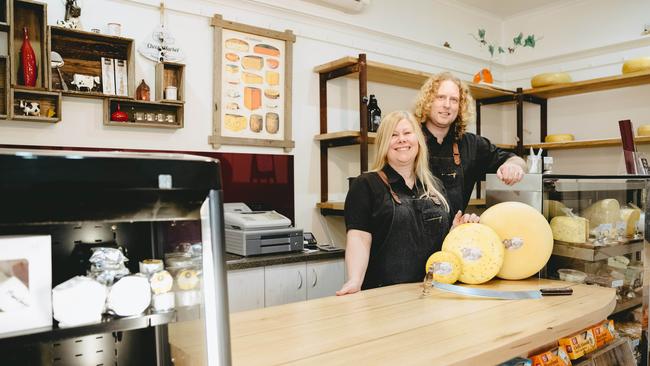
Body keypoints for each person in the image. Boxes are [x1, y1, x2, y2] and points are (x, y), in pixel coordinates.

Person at [337, 110, 478, 295]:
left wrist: (457, 231)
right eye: (393, 135)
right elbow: (359, 238)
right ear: (383, 144)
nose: (401, 140)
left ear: (418, 141)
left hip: (435, 291)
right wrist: (355, 280)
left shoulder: (435, 186)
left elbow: (442, 242)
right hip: (385, 295)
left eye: (407, 133)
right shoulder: (366, 184)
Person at [414, 72, 526, 215]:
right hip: (413, 234)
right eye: (440, 97)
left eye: (454, 100)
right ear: (427, 101)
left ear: (460, 107)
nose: (447, 105)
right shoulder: (410, 139)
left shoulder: (472, 145)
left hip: (455, 233)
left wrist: (513, 166)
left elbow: (516, 160)